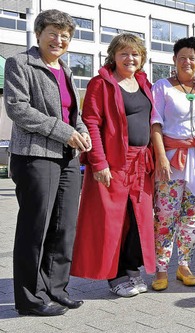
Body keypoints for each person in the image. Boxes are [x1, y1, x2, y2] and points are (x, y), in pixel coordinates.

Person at [4, 9, 90, 316]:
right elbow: (18, 109)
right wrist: (66, 132)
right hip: (35, 156)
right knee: (35, 229)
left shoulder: (64, 69)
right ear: (39, 33)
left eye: (65, 36)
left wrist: (81, 131)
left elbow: (72, 113)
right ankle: (30, 299)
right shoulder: (20, 63)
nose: (59, 40)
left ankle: (55, 289)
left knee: (63, 228)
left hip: (67, 157)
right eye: (53, 33)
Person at [71, 33, 157, 298]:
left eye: (135, 53)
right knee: (112, 221)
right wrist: (99, 162)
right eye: (124, 53)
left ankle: (132, 268)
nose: (130, 58)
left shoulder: (144, 83)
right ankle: (115, 274)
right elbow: (92, 123)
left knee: (138, 220)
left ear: (141, 57)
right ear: (114, 56)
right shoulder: (101, 83)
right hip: (113, 162)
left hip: (141, 163)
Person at [150, 37, 195, 291]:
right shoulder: (161, 87)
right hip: (172, 159)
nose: (187, 62)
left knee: (192, 216)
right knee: (165, 216)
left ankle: (184, 265)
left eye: (192, 58)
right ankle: (161, 268)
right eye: (182, 57)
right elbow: (155, 123)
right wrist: (161, 156)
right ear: (174, 60)